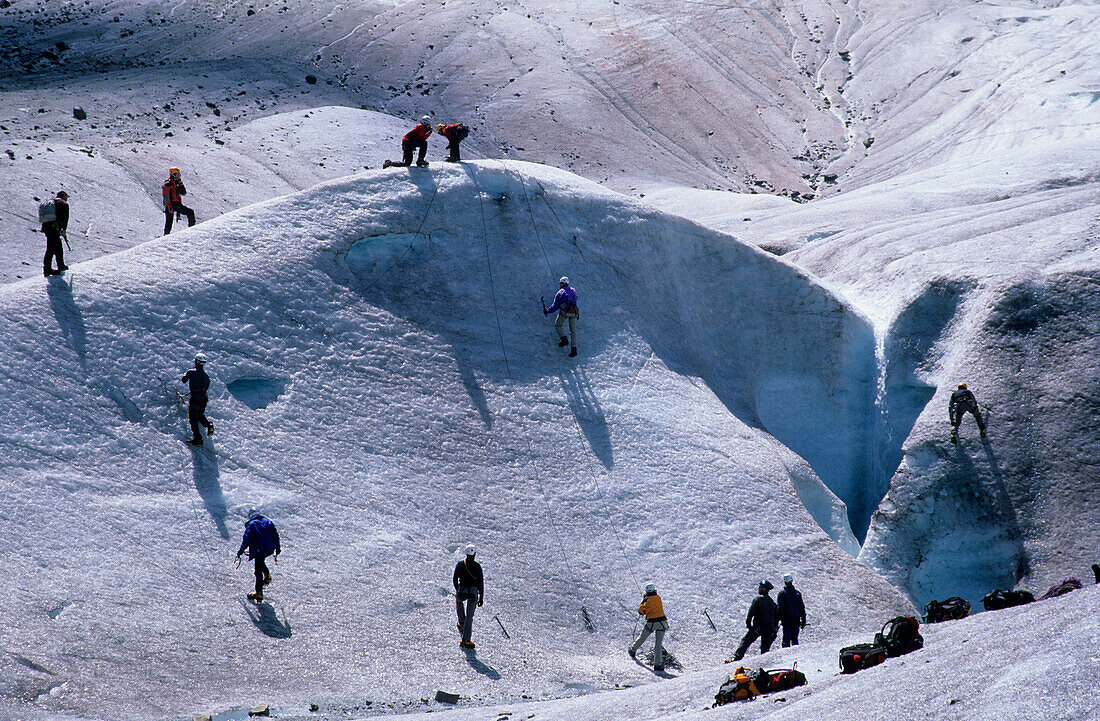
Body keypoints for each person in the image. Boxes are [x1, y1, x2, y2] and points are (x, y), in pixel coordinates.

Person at [236, 508, 281, 601]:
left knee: (257, 571)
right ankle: (267, 575)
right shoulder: (268, 522)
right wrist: (277, 547)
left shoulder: (252, 524)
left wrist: (241, 550)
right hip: (269, 549)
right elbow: (275, 535)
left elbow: (247, 538)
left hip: (259, 550)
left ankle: (259, 593)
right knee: (261, 562)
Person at [732, 580, 778, 661]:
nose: (758, 588)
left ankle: (737, 657)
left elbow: (751, 613)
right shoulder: (772, 602)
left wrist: (748, 624)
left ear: (764, 589)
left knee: (745, 641)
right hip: (769, 629)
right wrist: (774, 629)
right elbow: (776, 616)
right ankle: (763, 663)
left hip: (758, 627)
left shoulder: (757, 599)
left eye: (760, 587)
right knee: (765, 648)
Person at [628, 582, 669, 671]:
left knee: (642, 637)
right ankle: (658, 665)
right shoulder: (658, 598)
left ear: (646, 592)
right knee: (658, 644)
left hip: (651, 623)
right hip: (662, 623)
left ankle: (633, 650)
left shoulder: (647, 600)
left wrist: (643, 601)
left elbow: (641, 611)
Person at [453, 544, 484, 649]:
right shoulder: (477, 566)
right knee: (469, 617)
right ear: (474, 554)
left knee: (459, 603)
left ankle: (461, 623)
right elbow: (480, 583)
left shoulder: (460, 564)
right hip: (473, 592)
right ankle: (466, 640)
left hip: (462, 590)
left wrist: (458, 589)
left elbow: (455, 578)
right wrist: (481, 597)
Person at [182, 352, 215, 446]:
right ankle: (209, 425)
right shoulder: (206, 376)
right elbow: (207, 385)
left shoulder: (191, 372)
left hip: (195, 398)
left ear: (196, 361)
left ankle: (198, 439)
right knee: (200, 414)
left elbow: (184, 380)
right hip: (204, 399)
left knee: (193, 419)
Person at [542, 276, 579, 357]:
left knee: (558, 325)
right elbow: (576, 299)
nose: (560, 284)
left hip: (565, 311)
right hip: (575, 312)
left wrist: (547, 311)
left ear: (563, 283)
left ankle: (564, 339)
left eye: (561, 283)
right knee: (573, 331)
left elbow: (555, 306)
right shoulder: (573, 290)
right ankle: (574, 349)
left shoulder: (560, 292)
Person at [39, 190, 69, 276]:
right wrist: (64, 230)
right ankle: (48, 269)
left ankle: (60, 265)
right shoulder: (63, 203)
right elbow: (64, 218)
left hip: (47, 228)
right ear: (63, 195)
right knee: (51, 248)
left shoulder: (51, 203)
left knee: (57, 246)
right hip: (54, 228)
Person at [162, 167, 196, 235]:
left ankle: (192, 231)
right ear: (173, 174)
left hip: (177, 204)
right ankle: (165, 237)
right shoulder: (168, 184)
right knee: (169, 222)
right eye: (178, 174)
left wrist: (181, 185)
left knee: (190, 212)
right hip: (171, 205)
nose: (179, 176)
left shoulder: (177, 184)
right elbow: (166, 196)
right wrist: (169, 206)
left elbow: (183, 193)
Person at [776, 573, 806, 647]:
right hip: (796, 620)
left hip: (786, 621)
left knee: (786, 640)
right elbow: (802, 607)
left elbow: (780, 608)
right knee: (795, 640)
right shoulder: (797, 593)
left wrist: (777, 620)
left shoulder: (781, 594)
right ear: (792, 580)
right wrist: (804, 620)